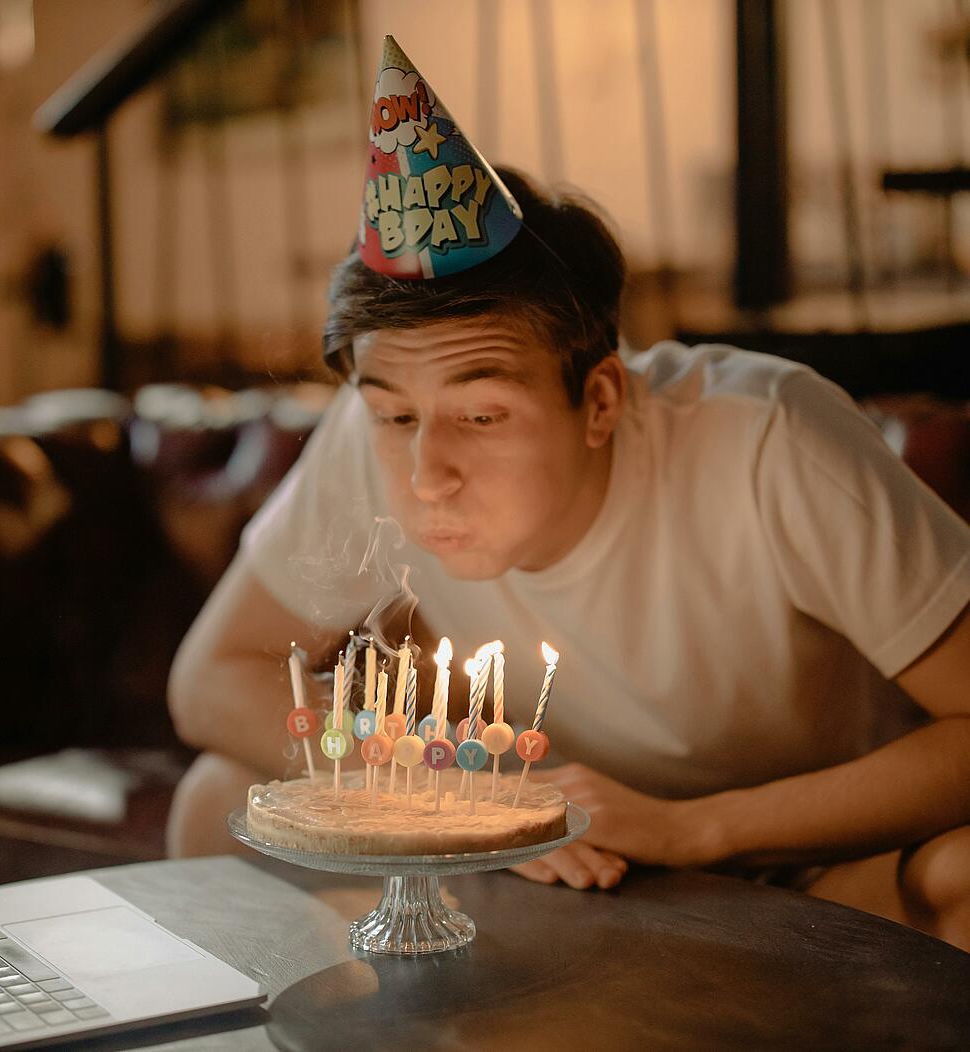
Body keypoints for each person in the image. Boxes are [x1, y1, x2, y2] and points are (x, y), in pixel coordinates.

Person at [167, 40, 970, 951]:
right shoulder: (374, 434)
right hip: (556, 862)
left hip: (820, 861)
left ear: (598, 401)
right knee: (216, 800)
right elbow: (211, 678)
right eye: (396, 417)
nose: (427, 473)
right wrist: (457, 806)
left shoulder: (769, 442)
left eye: (482, 416)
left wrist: (694, 829)